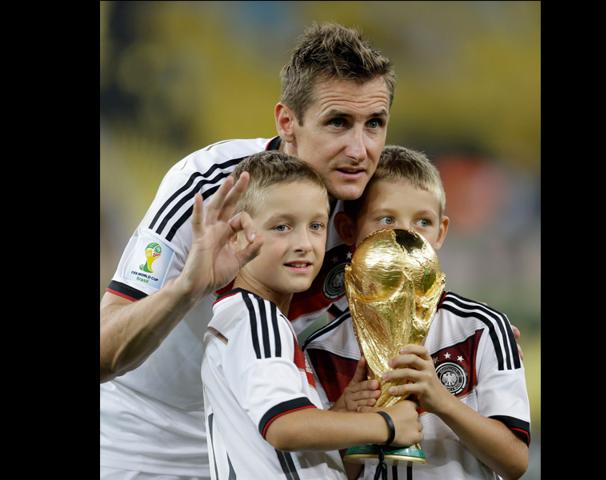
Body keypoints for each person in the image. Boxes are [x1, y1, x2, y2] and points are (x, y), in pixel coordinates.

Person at [100, 22, 523, 478]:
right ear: (288, 122)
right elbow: (105, 351)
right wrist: (188, 290)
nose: (359, 149)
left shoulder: (372, 203)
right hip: (144, 433)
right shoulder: (211, 186)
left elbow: (411, 298)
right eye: (338, 122)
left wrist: (467, 327)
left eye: (374, 124)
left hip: (276, 420)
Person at [305, 145, 530, 479]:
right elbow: (326, 472)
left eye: (422, 221)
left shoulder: (483, 328)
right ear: (349, 230)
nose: (405, 234)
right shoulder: (322, 350)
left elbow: (515, 462)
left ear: (440, 232)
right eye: (386, 219)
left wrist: (441, 400)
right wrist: (346, 416)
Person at [200, 151, 423, 479]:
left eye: (316, 226)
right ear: (236, 235)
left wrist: (340, 413)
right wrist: (386, 425)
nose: (304, 243)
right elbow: (284, 427)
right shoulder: (257, 320)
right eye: (282, 226)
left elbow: (282, 446)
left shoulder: (249, 317)